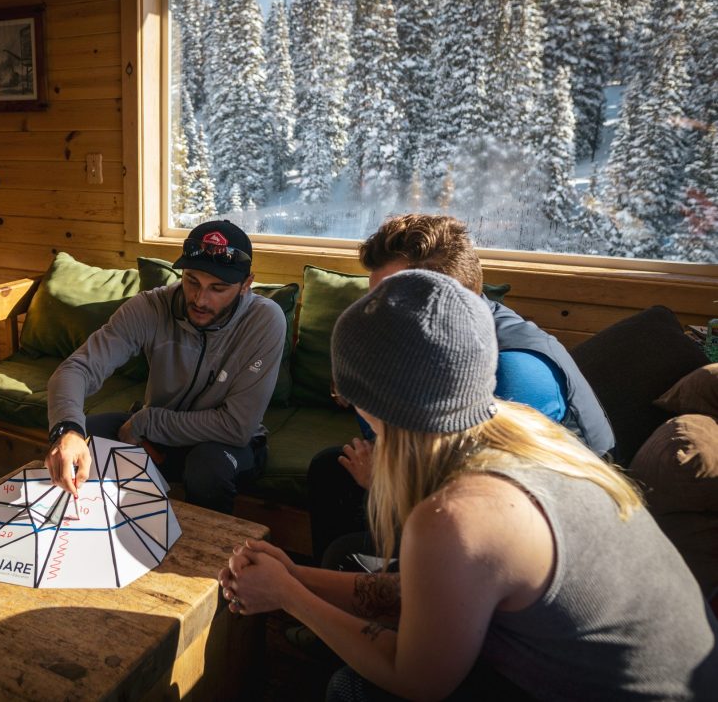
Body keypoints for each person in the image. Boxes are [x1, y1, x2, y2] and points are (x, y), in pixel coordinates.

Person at [219, 270, 718, 701]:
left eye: (344, 393)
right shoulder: (531, 437)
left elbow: (415, 679)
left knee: (353, 691)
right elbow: (421, 592)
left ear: (369, 398)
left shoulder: (461, 515)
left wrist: (289, 597)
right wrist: (297, 575)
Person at [308, 214, 614, 564]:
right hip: (446, 478)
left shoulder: (517, 373)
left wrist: (384, 483)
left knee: (342, 554)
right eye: (373, 301)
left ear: (452, 297)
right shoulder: (420, 340)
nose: (373, 320)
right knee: (331, 469)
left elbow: (490, 508)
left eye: (392, 302)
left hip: (538, 527)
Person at [45, 220, 286, 514]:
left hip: (225, 443)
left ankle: (210, 555)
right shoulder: (151, 307)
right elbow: (77, 369)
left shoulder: (265, 320)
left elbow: (236, 427)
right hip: (155, 436)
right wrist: (67, 430)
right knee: (87, 436)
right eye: (192, 280)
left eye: (218, 288)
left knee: (207, 469)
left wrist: (148, 422)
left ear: (246, 285)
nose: (200, 299)